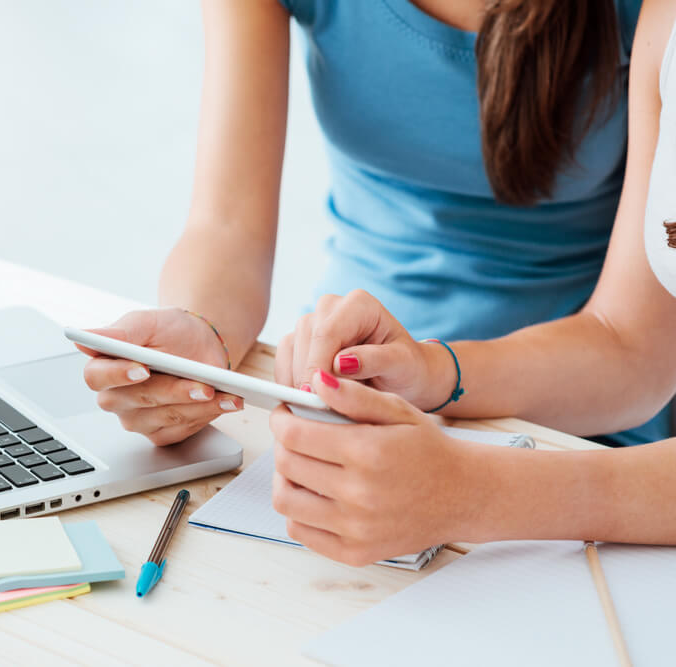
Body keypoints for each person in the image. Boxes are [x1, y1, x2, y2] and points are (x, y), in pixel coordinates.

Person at [80, 0, 668, 448]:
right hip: (342, 402)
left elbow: (634, 352)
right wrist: (200, 335)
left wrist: (432, 376)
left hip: (578, 422)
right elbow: (226, 227)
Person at [268, 0, 676, 566]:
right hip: (376, 420)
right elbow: (221, 229)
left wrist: (476, 491)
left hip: (571, 436)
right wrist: (431, 374)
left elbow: (633, 350)